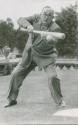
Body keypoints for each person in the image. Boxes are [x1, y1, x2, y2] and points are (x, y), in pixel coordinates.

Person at [5, 6, 66, 107]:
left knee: (53, 77)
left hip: (45, 56)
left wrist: (49, 39)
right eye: (44, 14)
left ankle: (59, 101)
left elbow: (53, 42)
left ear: (52, 17)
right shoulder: (35, 18)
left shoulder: (55, 28)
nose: (46, 17)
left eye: (49, 15)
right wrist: (28, 25)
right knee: (15, 74)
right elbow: (20, 19)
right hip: (29, 54)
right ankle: (11, 100)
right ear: (41, 14)